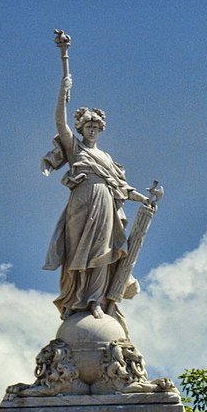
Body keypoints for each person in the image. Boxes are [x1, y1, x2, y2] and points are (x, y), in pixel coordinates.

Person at [42, 74, 153, 321]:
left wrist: (144, 199)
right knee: (76, 253)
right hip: (80, 205)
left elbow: (122, 187)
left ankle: (95, 300)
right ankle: (74, 299)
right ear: (81, 129)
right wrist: (63, 89)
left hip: (104, 204)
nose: (92, 130)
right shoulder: (74, 148)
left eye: (96, 127)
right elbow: (61, 122)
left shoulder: (106, 158)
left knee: (103, 250)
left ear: (100, 129)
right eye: (87, 126)